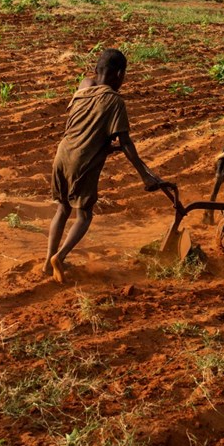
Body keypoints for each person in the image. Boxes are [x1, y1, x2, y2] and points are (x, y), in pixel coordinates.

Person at [45, 48, 165, 283]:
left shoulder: (84, 85)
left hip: (62, 154)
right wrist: (146, 176)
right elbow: (126, 142)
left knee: (62, 209)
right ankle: (59, 257)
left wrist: (106, 147)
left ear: (96, 70)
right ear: (119, 74)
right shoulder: (114, 101)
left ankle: (47, 261)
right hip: (82, 161)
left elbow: (86, 128)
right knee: (84, 215)